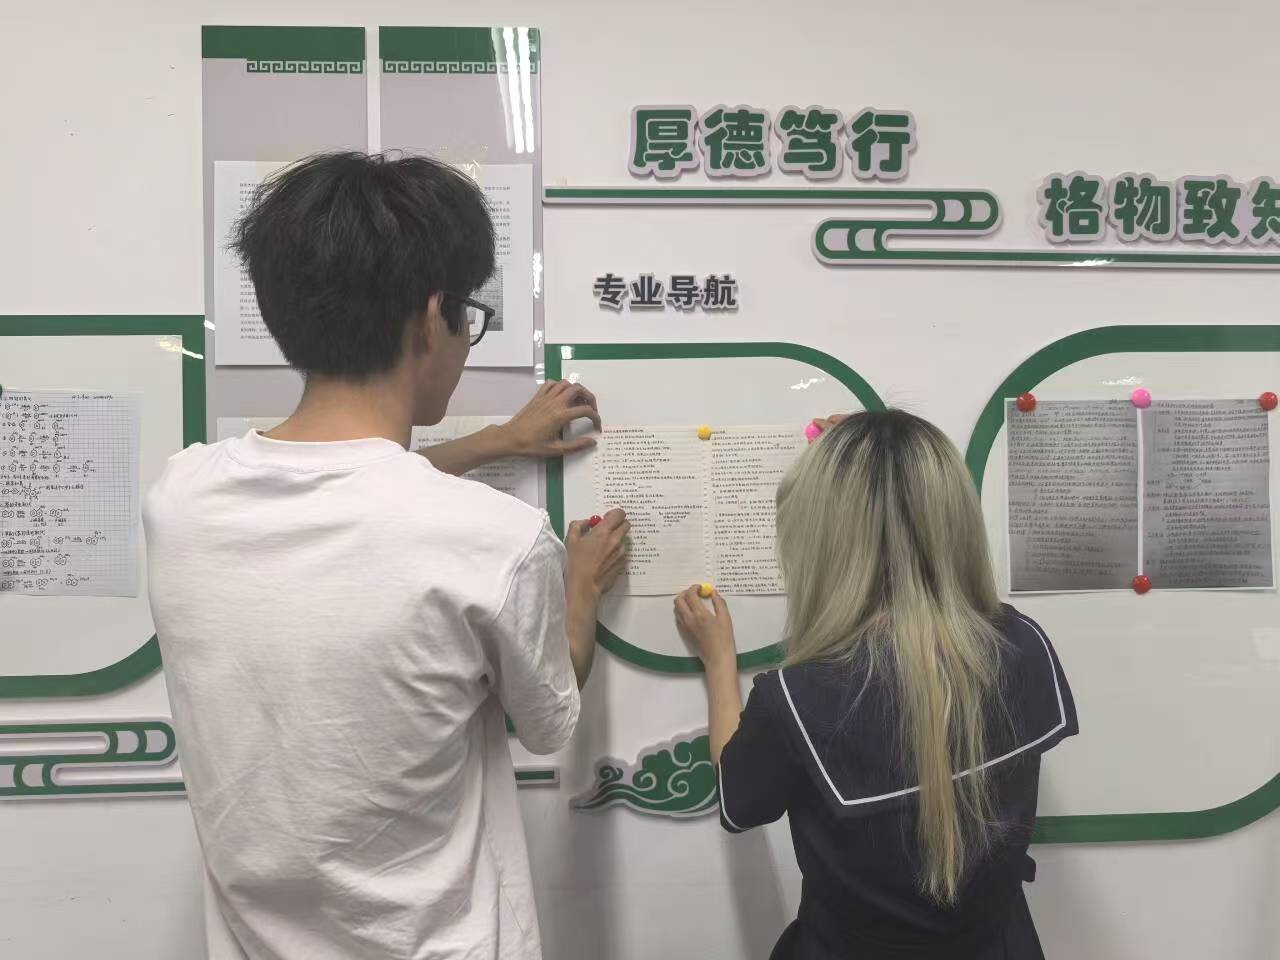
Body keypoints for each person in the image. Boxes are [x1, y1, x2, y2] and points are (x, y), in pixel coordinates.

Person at [144, 152, 627, 960]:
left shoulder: (180, 497)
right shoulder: (496, 540)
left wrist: (496, 441)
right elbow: (548, 720)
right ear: (433, 317)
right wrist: (578, 590)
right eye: (470, 316)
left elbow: (339, 487)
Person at [675, 410, 1078, 960]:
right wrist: (885, 453)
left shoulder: (798, 699)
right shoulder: (1021, 643)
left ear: (820, 545)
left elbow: (737, 803)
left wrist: (720, 660)